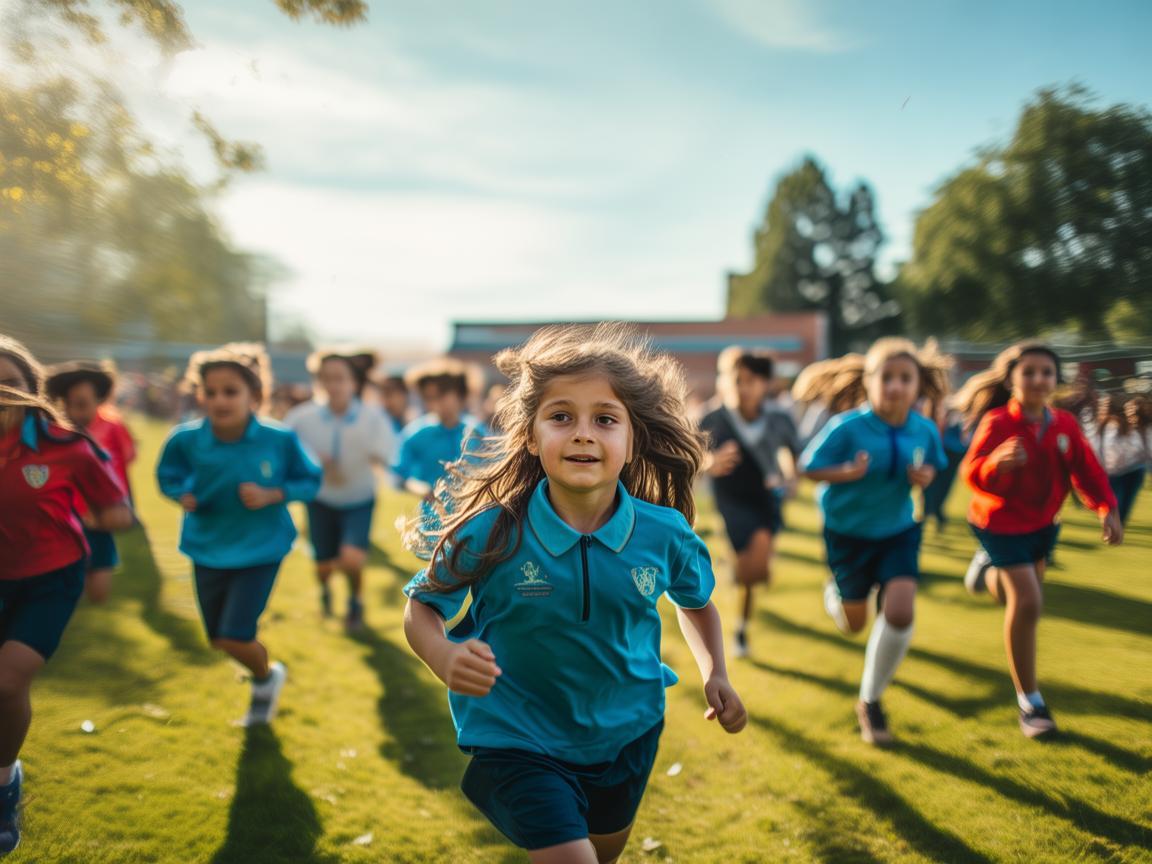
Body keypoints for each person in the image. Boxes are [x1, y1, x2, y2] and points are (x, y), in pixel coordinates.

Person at [402, 324, 746, 863]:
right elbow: (422, 606)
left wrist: (715, 672)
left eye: (605, 419)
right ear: (531, 436)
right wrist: (443, 656)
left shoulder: (665, 534)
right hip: (517, 736)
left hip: (628, 731)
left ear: (632, 441)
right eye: (561, 417)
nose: (583, 434)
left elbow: (696, 604)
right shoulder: (492, 531)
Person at [0, 336, 134, 855]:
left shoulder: (67, 446)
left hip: (51, 578)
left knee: (7, 682)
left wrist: (102, 515)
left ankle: (4, 784)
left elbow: (117, 510)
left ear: (32, 389)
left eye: (10, 383)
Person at [956, 342, 1122, 738]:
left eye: (1046, 371)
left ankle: (986, 572)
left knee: (1017, 598)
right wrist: (995, 463)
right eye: (1028, 371)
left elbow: (1087, 469)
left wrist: (1106, 506)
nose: (1038, 379)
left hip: (1042, 525)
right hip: (998, 524)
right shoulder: (997, 422)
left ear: (1055, 379)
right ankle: (1030, 703)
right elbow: (971, 473)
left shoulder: (1064, 425)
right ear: (1011, 379)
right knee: (1029, 603)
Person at [156, 343, 322, 726]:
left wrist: (273, 494)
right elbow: (167, 475)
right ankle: (266, 675)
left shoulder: (279, 439)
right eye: (210, 392)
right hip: (207, 548)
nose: (219, 400)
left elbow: (310, 480)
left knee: (234, 634)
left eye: (230, 391)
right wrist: (181, 494)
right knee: (218, 639)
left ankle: (265, 679)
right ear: (200, 395)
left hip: (261, 549)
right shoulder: (184, 439)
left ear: (255, 396)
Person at [799, 339, 950, 746]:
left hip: (898, 530)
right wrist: (848, 472)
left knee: (900, 612)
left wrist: (925, 477)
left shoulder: (923, 429)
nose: (895, 386)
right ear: (868, 382)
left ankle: (870, 700)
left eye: (905, 378)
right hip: (847, 534)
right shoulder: (847, 427)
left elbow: (934, 465)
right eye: (887, 378)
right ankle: (835, 594)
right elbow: (808, 468)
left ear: (918, 385)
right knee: (854, 625)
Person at [699, 348, 800, 658]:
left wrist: (791, 478)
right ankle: (740, 630)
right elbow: (690, 456)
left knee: (755, 572)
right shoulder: (712, 417)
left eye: (752, 381)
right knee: (749, 569)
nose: (743, 387)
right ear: (725, 381)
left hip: (766, 496)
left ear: (766, 383)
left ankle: (743, 598)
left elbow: (795, 452)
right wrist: (710, 462)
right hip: (730, 499)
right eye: (737, 380)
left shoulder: (779, 417)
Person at [286, 349, 395, 629]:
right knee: (323, 564)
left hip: (359, 498)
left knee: (351, 559)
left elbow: (390, 457)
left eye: (339, 378)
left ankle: (355, 601)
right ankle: (325, 589)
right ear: (317, 381)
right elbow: (285, 457)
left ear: (353, 382)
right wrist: (310, 462)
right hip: (320, 499)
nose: (333, 385)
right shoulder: (300, 418)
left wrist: (378, 457)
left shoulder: (373, 418)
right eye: (326, 378)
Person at [45, 360, 138, 603]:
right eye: (67, 404)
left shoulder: (112, 428)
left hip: (100, 518)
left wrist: (118, 500)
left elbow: (128, 457)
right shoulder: (54, 433)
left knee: (98, 592)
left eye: (82, 404)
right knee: (61, 587)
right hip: (64, 520)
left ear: (99, 400)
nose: (73, 412)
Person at [394, 359, 486, 502]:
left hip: (473, 508)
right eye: (429, 398)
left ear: (460, 394)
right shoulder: (416, 433)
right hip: (432, 511)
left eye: (441, 395)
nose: (435, 403)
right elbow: (398, 474)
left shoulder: (476, 431)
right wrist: (418, 487)